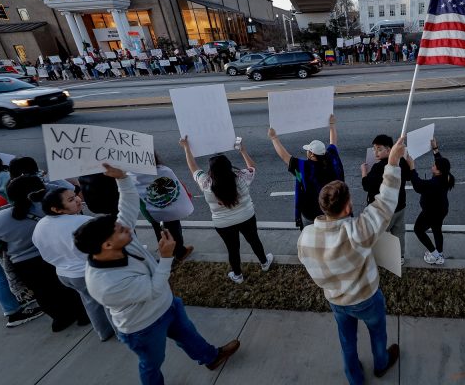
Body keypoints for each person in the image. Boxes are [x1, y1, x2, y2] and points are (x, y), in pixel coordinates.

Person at [74, 164, 240, 384]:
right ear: (106, 245)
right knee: (152, 363)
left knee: (188, 334)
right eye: (121, 230)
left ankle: (210, 357)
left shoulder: (117, 241)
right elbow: (152, 289)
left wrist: (122, 179)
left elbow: (128, 208)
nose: (127, 228)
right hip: (143, 326)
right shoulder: (105, 284)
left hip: (167, 306)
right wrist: (166, 257)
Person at [297, 137, 405, 385]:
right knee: (378, 334)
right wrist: (393, 162)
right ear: (347, 208)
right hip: (366, 298)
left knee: (347, 342)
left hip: (336, 300)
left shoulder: (306, 237)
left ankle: (354, 378)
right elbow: (386, 202)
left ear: (324, 208)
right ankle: (381, 364)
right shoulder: (358, 231)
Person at [0, 175, 88, 332]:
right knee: (66, 288)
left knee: (43, 293)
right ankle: (82, 315)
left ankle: (60, 319)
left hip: (23, 263)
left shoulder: (0, 218)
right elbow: (63, 190)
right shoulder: (47, 207)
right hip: (52, 254)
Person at [180, 136, 272, 283]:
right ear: (229, 166)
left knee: (232, 249)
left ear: (211, 171)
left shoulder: (206, 184)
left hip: (223, 224)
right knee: (254, 240)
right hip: (247, 217)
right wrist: (242, 150)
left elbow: (193, 168)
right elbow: (252, 167)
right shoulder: (241, 177)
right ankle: (264, 263)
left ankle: (238, 275)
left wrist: (186, 148)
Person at [31, 187, 116, 341]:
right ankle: (121, 333)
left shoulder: (40, 225)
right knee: (109, 303)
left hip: (64, 274)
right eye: (70, 200)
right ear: (57, 209)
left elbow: (42, 250)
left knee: (90, 302)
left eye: (75, 196)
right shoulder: (84, 222)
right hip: (89, 272)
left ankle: (103, 332)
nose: (77, 200)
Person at [269, 114, 344, 229]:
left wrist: (274, 138)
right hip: (333, 210)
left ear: (312, 155)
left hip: (312, 213)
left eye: (309, 150)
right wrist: (332, 125)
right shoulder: (331, 157)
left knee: (313, 236)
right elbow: (333, 142)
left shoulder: (304, 167)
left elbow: (285, 156)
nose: (307, 152)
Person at [134, 155, 195, 263]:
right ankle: (179, 252)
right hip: (170, 208)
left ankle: (166, 252)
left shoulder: (130, 175)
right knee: (174, 228)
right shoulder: (164, 170)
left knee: (158, 230)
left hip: (149, 209)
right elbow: (177, 185)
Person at [362, 134, 412, 264]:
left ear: (389, 150)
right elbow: (408, 176)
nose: (375, 152)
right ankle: (400, 256)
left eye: (379, 149)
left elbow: (367, 185)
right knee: (399, 232)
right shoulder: (401, 162)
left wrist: (364, 172)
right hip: (400, 206)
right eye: (374, 149)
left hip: (385, 211)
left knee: (381, 234)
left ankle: (381, 256)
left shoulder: (378, 167)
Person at [406, 138, 455, 265]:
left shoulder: (434, 183)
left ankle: (435, 254)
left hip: (430, 212)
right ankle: (440, 252)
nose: (432, 165)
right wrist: (435, 149)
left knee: (418, 230)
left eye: (434, 166)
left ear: (438, 171)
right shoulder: (447, 176)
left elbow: (418, 185)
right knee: (437, 229)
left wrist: (412, 168)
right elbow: (441, 162)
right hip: (442, 209)